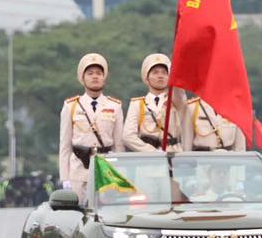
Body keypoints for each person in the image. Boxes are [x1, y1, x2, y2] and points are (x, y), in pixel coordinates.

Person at [58, 53, 124, 201]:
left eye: (99, 73)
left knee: (106, 215)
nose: (95, 77)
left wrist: (118, 172)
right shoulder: (71, 106)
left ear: (104, 77)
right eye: (90, 73)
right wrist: (65, 178)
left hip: (106, 170)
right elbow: (65, 146)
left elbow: (119, 145)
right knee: (80, 214)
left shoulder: (115, 106)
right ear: (82, 78)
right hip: (79, 170)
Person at [122, 53, 182, 152]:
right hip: (148, 160)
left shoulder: (176, 101)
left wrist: (174, 74)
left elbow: (180, 93)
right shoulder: (138, 104)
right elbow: (128, 136)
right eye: (155, 72)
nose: (160, 76)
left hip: (173, 157)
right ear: (147, 77)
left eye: (164, 72)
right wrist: (152, 152)